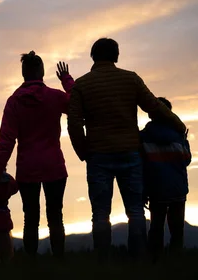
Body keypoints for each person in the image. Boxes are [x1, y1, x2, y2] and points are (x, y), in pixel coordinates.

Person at [67, 38, 186, 261]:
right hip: (130, 153)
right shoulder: (130, 79)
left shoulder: (82, 85)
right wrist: (178, 124)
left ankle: (103, 261)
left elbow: (74, 124)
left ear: (93, 56)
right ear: (116, 55)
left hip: (98, 155)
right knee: (136, 211)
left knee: (100, 213)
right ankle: (138, 259)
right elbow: (155, 106)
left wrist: (83, 152)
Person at [0, 51, 74, 258]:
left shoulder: (14, 101)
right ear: (42, 71)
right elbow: (77, 104)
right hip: (54, 164)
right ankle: (59, 260)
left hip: (27, 167)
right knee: (56, 216)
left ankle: (31, 262)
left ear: (23, 73)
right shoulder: (55, 96)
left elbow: (6, 140)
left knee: (31, 217)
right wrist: (66, 80)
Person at [140, 97, 191, 261]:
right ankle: (176, 263)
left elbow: (140, 165)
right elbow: (187, 159)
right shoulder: (178, 136)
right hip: (178, 189)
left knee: (156, 227)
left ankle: (155, 262)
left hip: (156, 190)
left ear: (150, 115)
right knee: (177, 230)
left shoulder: (143, 137)